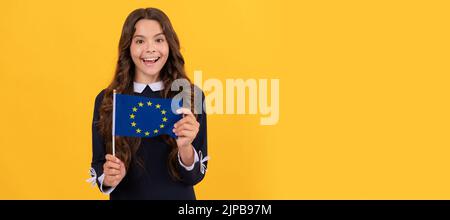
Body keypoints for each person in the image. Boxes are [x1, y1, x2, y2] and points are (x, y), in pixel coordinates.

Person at [87, 8, 208, 200]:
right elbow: (99, 166)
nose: (150, 48)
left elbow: (194, 176)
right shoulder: (109, 100)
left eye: (159, 40)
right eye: (140, 41)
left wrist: (185, 147)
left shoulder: (190, 96)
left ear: (169, 45)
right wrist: (109, 176)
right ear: (128, 47)